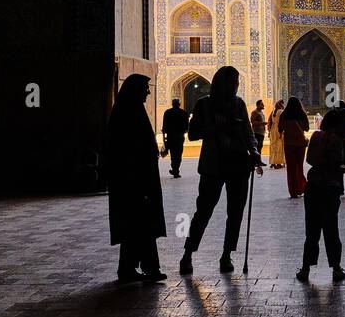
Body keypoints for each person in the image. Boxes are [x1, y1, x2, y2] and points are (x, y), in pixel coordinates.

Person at [179, 66, 263, 276]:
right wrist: (215, 128)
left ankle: (227, 254)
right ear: (220, 83)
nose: (235, 87)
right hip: (213, 166)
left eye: (236, 84)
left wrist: (254, 150)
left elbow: (247, 132)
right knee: (204, 212)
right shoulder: (204, 105)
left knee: (235, 213)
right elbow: (192, 134)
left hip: (238, 165)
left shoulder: (238, 104)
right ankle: (188, 253)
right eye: (232, 83)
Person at [105, 73, 166, 284]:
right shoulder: (127, 112)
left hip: (137, 180)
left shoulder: (128, 110)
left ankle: (129, 268)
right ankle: (147, 268)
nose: (149, 91)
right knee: (140, 224)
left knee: (136, 226)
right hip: (134, 181)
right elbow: (124, 150)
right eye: (145, 88)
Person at [296, 108, 345, 283]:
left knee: (311, 230)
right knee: (331, 229)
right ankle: (336, 268)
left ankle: (305, 269)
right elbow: (335, 167)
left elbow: (310, 160)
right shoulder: (336, 141)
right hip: (329, 188)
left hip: (312, 187)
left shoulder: (316, 136)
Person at [280, 97, 309, 198]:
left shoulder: (284, 114)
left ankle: (293, 191)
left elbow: (280, 128)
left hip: (289, 144)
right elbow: (307, 128)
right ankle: (300, 188)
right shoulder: (302, 114)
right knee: (299, 166)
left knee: (291, 168)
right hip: (300, 143)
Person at [161, 97, 189, 177]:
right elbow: (187, 127)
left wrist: (164, 137)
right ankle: (176, 169)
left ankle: (175, 169)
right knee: (178, 153)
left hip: (171, 136)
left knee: (173, 154)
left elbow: (164, 127)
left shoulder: (168, 112)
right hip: (179, 137)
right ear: (179, 104)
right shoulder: (183, 113)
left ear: (172, 104)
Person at [267, 99, 286, 169]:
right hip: (278, 129)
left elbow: (270, 121)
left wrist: (269, 131)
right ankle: (278, 163)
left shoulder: (273, 112)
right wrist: (282, 131)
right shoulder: (281, 111)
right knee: (279, 147)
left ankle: (273, 162)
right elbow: (283, 122)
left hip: (273, 129)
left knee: (273, 146)